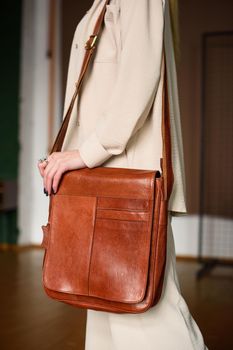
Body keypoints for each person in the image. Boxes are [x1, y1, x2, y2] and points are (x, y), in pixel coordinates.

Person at [38, 0, 208, 349]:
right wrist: (66, 159)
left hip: (128, 182)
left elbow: (138, 84)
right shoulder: (102, 5)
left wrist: (82, 155)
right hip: (103, 180)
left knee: (150, 316)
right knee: (106, 315)